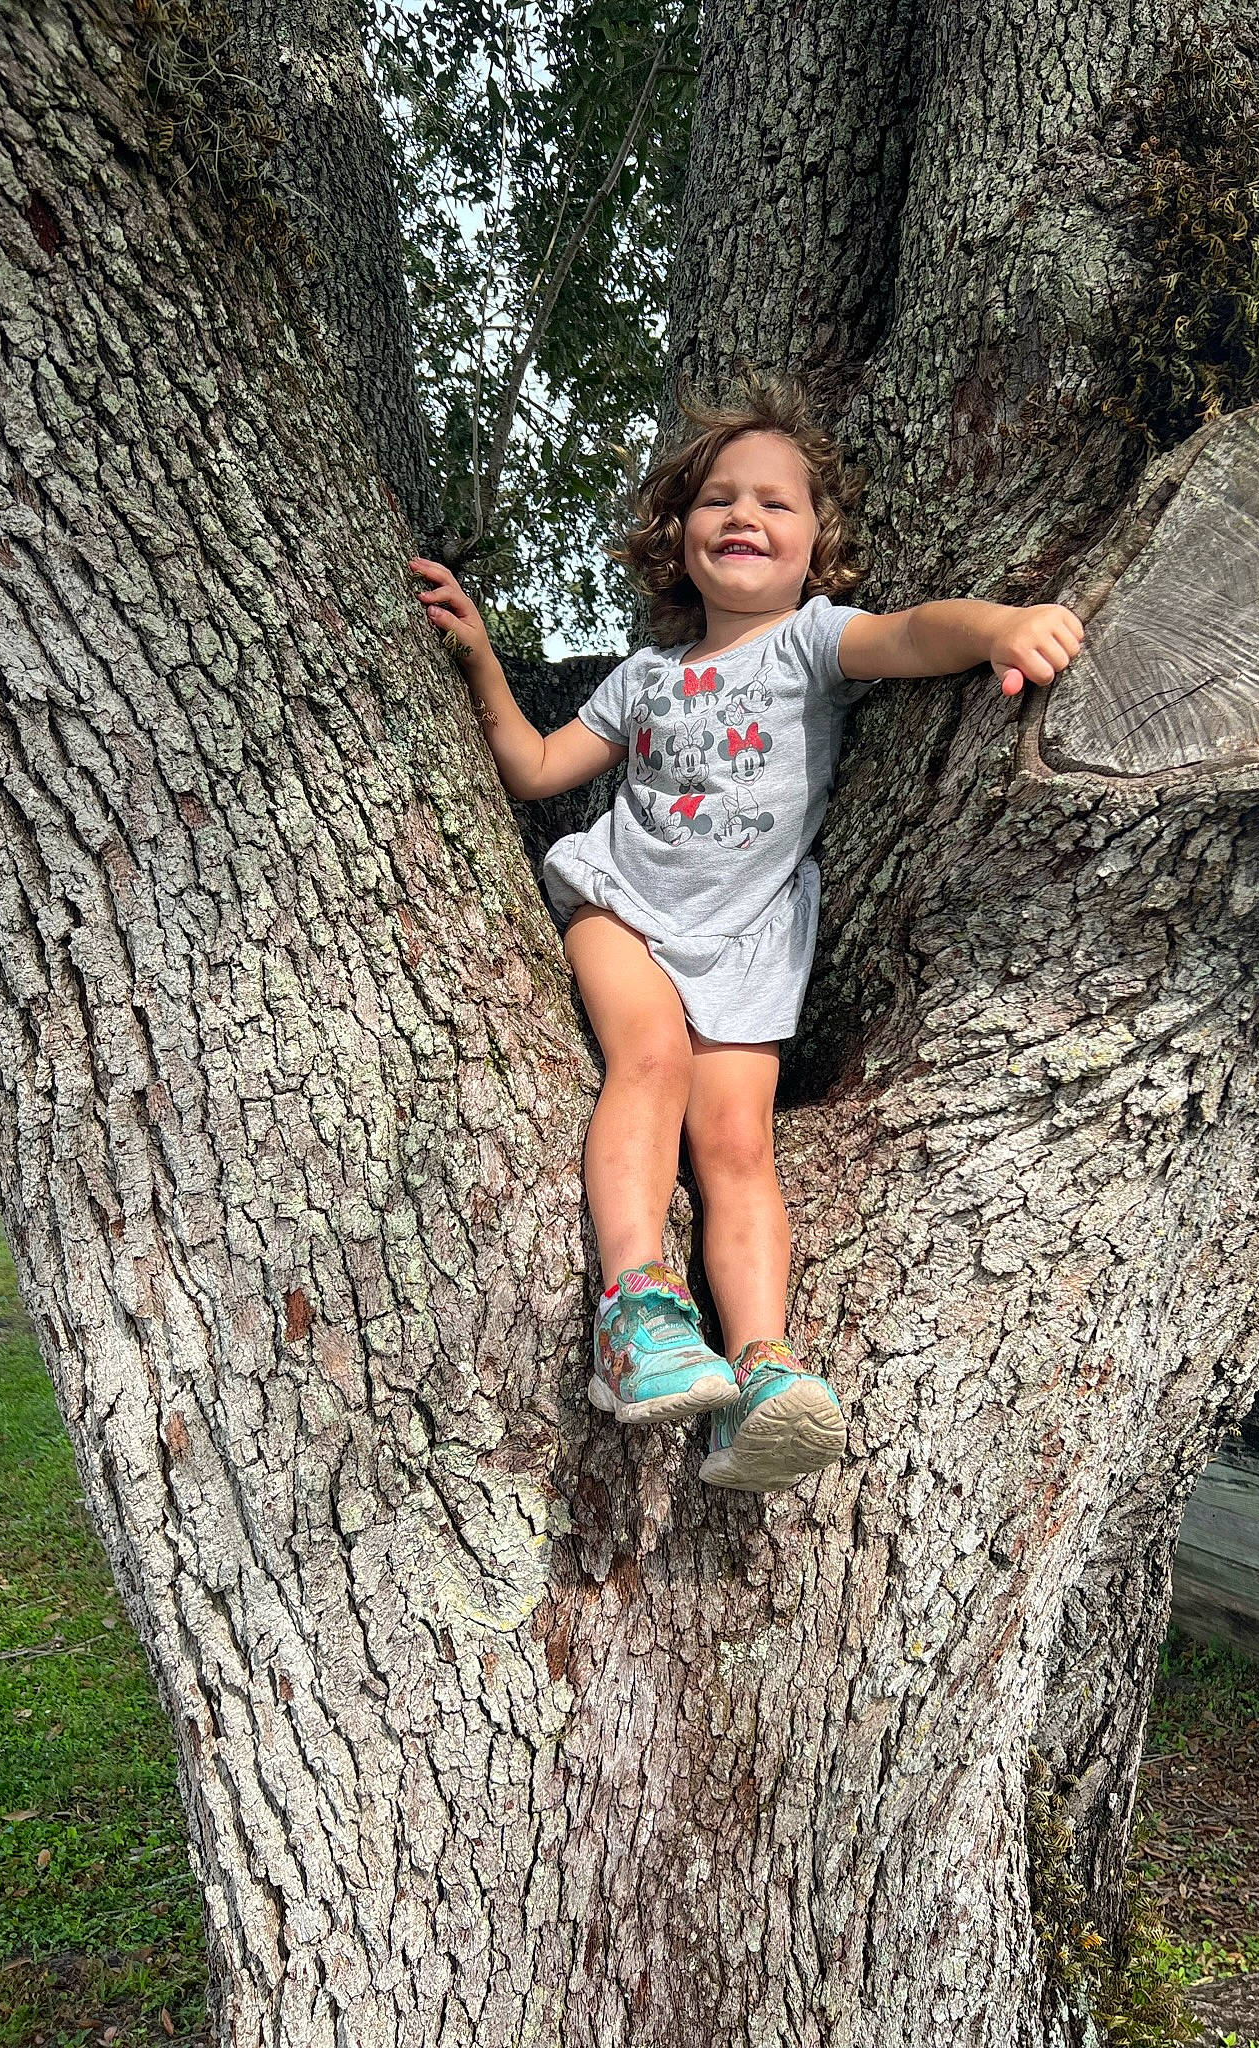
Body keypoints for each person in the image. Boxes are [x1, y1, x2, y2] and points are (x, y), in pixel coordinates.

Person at [408, 373, 1083, 1494]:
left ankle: (761, 1367)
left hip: (748, 942)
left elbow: (921, 633)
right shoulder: (643, 678)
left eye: (777, 502)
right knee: (652, 1061)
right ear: (678, 539)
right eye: (719, 497)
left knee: (737, 1150)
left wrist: (1005, 626)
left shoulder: (811, 643)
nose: (745, 516)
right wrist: (480, 653)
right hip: (623, 905)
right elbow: (532, 769)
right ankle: (638, 1310)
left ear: (817, 543)